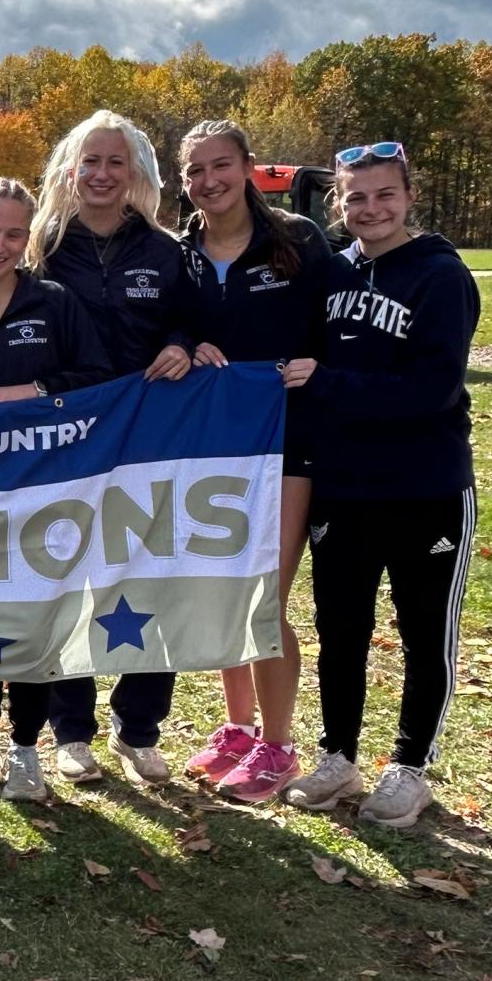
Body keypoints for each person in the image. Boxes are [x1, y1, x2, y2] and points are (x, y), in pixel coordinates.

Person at [280, 141, 479, 827]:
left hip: (427, 485)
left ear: (408, 196)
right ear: (338, 203)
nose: (371, 208)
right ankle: (338, 754)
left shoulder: (440, 276)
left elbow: (432, 388)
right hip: (346, 484)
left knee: (424, 632)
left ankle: (411, 764)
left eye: (384, 194)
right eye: (356, 196)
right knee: (342, 628)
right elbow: (293, 353)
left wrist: (329, 383)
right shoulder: (332, 275)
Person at [27, 110, 191, 785]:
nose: (100, 174)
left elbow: (191, 322)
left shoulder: (163, 250)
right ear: (70, 170)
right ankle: (72, 729)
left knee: (153, 579)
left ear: (136, 174)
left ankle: (140, 726)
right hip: (68, 445)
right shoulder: (45, 244)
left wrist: (183, 343)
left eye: (114, 162)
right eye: (89, 161)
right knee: (70, 581)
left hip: (153, 443)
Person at [0, 177, 112, 800]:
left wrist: (35, 394)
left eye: (14, 233)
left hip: (43, 497)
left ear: (29, 238)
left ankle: (26, 750)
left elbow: (97, 379)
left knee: (35, 623)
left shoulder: (55, 302)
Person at [175, 120, 332, 802]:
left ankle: (279, 743)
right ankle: (238, 728)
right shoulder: (179, 251)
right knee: (222, 587)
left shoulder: (296, 241)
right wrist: (188, 341)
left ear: (246, 167)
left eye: (220, 166)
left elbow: (339, 321)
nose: (209, 181)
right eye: (195, 171)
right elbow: (168, 325)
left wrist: (320, 367)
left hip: (287, 441)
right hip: (210, 445)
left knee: (265, 592)